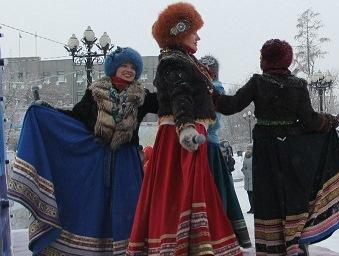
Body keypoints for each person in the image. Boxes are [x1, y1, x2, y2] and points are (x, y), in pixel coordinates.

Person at [213, 38, 339, 255]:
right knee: (294, 196)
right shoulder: (298, 85)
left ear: (265, 60)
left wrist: (208, 93)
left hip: (265, 151)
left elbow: (231, 105)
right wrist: (328, 121)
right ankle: (296, 245)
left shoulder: (257, 82)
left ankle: (272, 248)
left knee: (268, 197)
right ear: (287, 60)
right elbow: (309, 121)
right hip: (293, 151)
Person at [8, 47, 158, 254]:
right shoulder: (95, 92)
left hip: (126, 163)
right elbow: (76, 117)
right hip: (96, 162)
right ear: (114, 67)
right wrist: (47, 111)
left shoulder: (142, 96)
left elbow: (164, 105)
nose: (128, 70)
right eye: (124, 65)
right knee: (91, 205)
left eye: (133, 67)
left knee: (128, 209)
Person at [127, 3, 242, 254]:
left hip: (190, 135)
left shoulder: (189, 62)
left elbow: (215, 102)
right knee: (178, 192)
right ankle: (177, 245)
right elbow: (181, 95)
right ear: (179, 32)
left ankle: (193, 245)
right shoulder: (173, 61)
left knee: (189, 192)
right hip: (180, 137)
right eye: (194, 31)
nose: (198, 36)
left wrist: (253, 94)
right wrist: (185, 127)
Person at [199, 56, 251, 247]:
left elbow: (214, 122)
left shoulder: (215, 89)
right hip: (202, 145)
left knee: (213, 191)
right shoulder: (205, 86)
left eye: (208, 68)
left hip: (209, 146)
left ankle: (216, 232)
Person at [241, 144, 254, 214]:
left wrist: (247, 171)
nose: (248, 150)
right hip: (248, 179)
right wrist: (245, 172)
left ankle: (254, 208)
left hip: (251, 178)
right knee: (250, 195)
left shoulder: (252, 156)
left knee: (252, 195)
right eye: (247, 149)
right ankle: (252, 208)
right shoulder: (246, 157)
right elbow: (243, 168)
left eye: (249, 149)